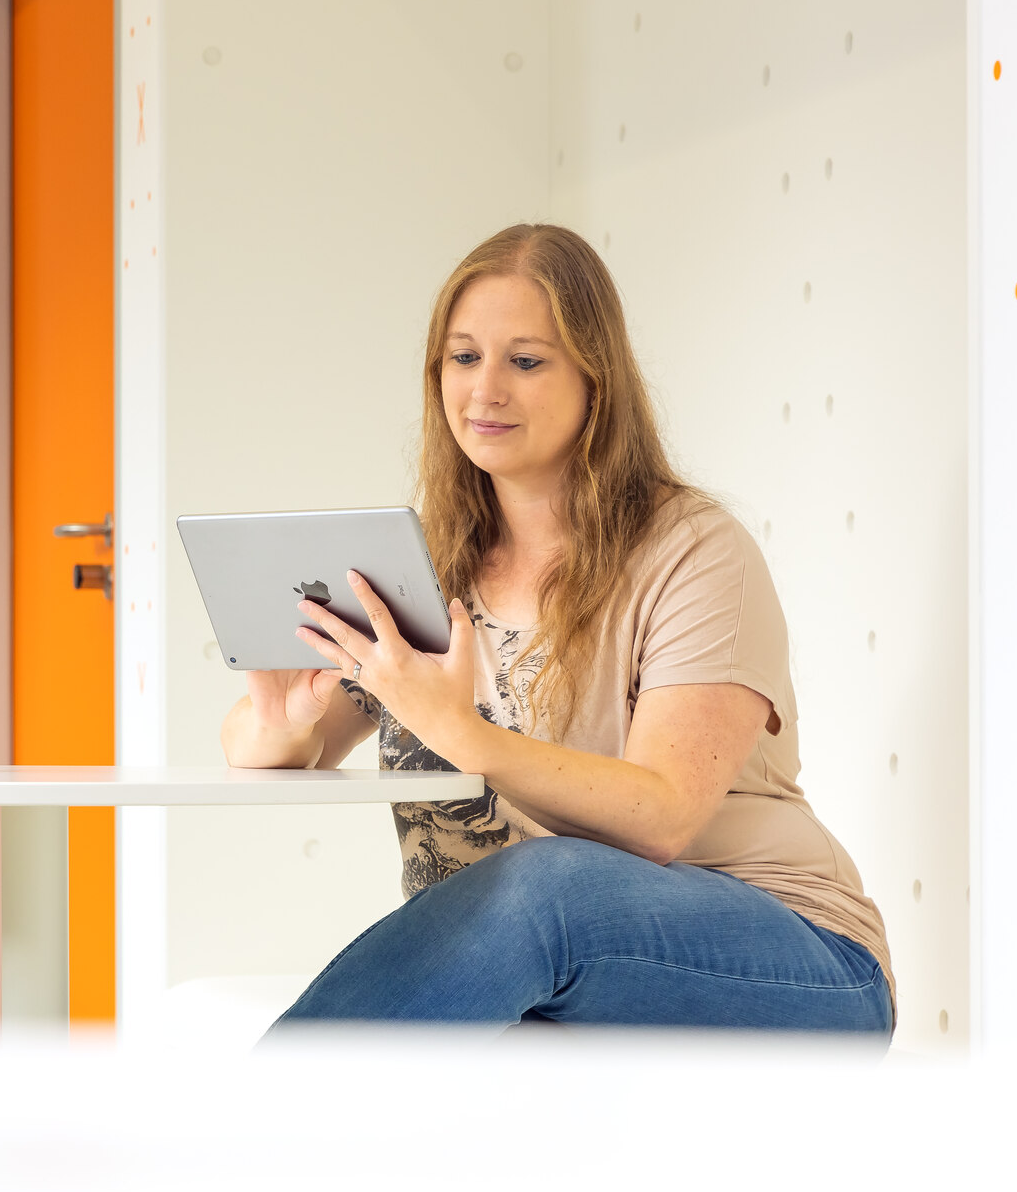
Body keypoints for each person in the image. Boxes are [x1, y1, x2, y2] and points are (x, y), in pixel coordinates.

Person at [222, 223, 894, 1039]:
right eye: (463, 358)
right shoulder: (428, 564)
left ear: (596, 379)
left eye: (526, 360)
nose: (485, 390)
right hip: (560, 972)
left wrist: (455, 729)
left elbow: (662, 815)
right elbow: (293, 748)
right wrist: (278, 723)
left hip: (794, 959)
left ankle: (243, 1132)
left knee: (545, 886)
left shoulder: (697, 553)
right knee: (537, 902)